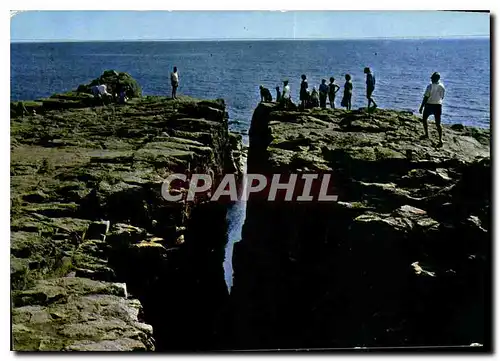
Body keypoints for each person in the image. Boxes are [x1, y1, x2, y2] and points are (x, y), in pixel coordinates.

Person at [419, 72, 445, 146]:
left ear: (434, 78)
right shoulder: (442, 86)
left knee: (424, 119)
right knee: (438, 124)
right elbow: (442, 97)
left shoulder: (429, 86)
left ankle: (426, 134)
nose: (431, 79)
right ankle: (440, 140)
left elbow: (426, 97)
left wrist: (421, 107)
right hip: (438, 105)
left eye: (432, 78)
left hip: (429, 105)